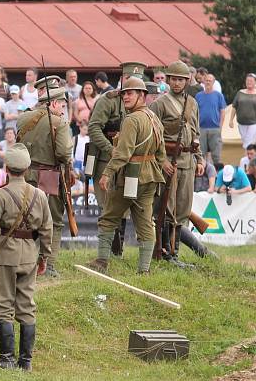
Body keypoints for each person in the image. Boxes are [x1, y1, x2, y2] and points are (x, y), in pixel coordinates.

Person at [0, 143, 52, 370]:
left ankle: (7, 359)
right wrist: (44, 256)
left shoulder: (1, 195)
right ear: (27, 168)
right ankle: (26, 362)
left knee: (2, 305)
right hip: (29, 255)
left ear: (7, 168)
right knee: (27, 306)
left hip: (4, 256)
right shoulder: (39, 195)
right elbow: (47, 229)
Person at [88, 78, 165, 274]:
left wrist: (106, 173)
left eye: (131, 93)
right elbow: (161, 153)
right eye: (124, 93)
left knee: (108, 217)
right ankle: (144, 270)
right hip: (150, 176)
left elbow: (123, 153)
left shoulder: (131, 120)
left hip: (130, 176)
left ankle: (102, 261)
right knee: (146, 222)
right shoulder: (153, 118)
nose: (126, 96)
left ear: (143, 96)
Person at [150, 60, 205, 269]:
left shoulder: (192, 103)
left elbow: (196, 133)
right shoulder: (160, 104)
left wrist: (199, 158)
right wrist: (161, 160)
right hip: (169, 162)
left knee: (183, 208)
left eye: (181, 80)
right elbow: (153, 136)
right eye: (173, 79)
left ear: (187, 81)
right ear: (169, 80)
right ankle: (166, 253)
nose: (176, 83)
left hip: (187, 162)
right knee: (167, 209)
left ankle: (175, 252)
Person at [16, 87, 72, 278]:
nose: (63, 110)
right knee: (53, 221)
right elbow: (64, 154)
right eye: (62, 105)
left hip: (24, 175)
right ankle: (47, 264)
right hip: (49, 176)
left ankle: (23, 261)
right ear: (54, 103)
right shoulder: (60, 123)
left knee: (26, 219)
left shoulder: (23, 119)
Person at [88, 61, 147, 209]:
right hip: (107, 159)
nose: (133, 84)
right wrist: (110, 149)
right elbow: (94, 128)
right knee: (108, 208)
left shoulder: (143, 103)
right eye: (130, 79)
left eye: (138, 82)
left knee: (127, 207)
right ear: (123, 78)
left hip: (133, 162)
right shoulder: (109, 100)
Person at [229, 73, 256, 149]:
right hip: (241, 122)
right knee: (247, 142)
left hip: (254, 122)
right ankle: (253, 157)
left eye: (251, 81)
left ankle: (248, 159)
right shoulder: (240, 93)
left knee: (248, 142)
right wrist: (231, 120)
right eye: (247, 80)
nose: (248, 82)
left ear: (255, 82)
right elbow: (234, 106)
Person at [195, 73, 226, 164]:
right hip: (201, 129)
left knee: (216, 156)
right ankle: (202, 176)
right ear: (203, 82)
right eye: (206, 80)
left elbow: (223, 112)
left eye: (210, 80)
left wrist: (220, 127)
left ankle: (217, 175)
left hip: (215, 129)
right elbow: (195, 112)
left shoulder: (219, 95)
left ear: (213, 82)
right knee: (201, 154)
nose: (208, 82)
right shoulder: (198, 96)